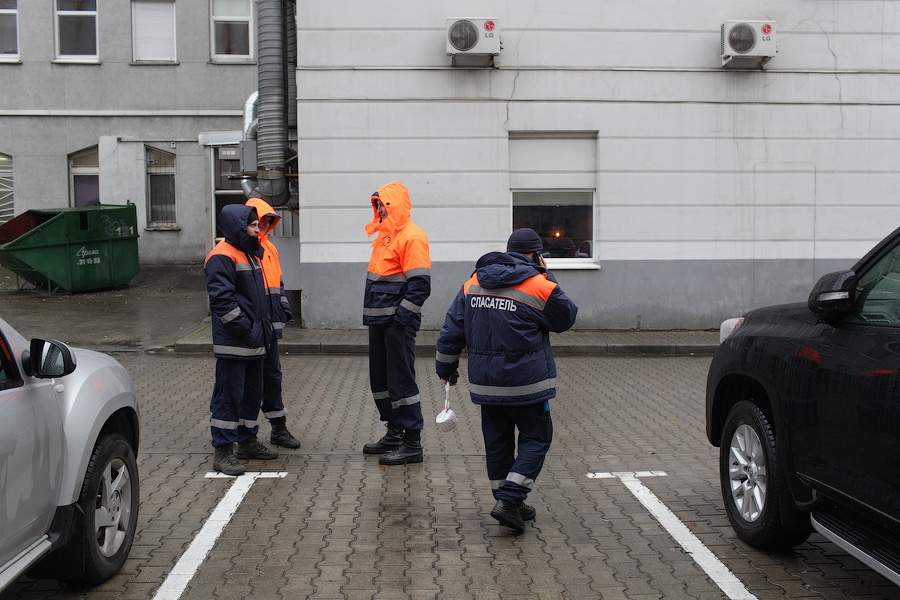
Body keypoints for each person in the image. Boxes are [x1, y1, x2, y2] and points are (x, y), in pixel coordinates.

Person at [435, 228, 578, 533]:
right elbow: (565, 319)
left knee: (497, 443)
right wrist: (548, 277)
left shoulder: (473, 283)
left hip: (487, 385)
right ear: (536, 254)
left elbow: (451, 330)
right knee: (537, 438)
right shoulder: (539, 285)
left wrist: (446, 369)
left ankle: (507, 500)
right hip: (527, 385)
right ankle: (510, 500)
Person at [205, 203, 279, 476]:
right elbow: (222, 301)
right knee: (228, 397)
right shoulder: (221, 256)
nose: (255, 230)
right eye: (250, 226)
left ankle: (247, 441)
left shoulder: (249, 254)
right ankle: (223, 451)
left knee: (251, 396)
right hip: (236, 343)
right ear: (238, 227)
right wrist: (246, 329)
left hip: (253, 341)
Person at [361, 181, 432, 465]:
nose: (378, 210)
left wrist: (400, 321)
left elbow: (420, 286)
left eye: (382, 205)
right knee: (381, 380)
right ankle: (394, 432)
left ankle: (412, 442)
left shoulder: (412, 237)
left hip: (396, 324)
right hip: (380, 322)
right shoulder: (384, 237)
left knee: (401, 381)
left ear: (394, 206)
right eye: (376, 205)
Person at [246, 197, 301, 450]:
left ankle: (278, 428)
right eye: (261, 221)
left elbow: (278, 282)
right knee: (250, 380)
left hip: (270, 325)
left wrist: (284, 309)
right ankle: (244, 435)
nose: (265, 226)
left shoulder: (270, 249)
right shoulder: (241, 248)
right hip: (250, 327)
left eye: (269, 221)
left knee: (272, 377)